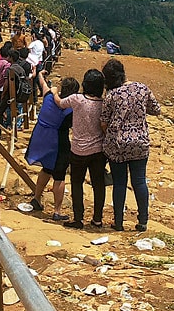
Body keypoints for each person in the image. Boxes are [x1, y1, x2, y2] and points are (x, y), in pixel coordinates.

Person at [100, 58, 161, 232]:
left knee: (119, 183)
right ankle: (143, 221)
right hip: (140, 143)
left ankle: (118, 222)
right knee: (139, 181)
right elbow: (156, 110)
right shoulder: (142, 88)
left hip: (118, 145)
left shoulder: (111, 95)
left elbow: (103, 122)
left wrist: (109, 134)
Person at [51, 68, 107, 230]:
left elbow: (60, 103)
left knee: (77, 184)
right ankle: (97, 219)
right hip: (98, 150)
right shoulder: (103, 103)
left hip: (78, 150)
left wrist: (53, 92)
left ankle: (78, 218)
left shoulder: (77, 99)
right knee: (98, 185)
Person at [25, 70, 80, 222]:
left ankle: (37, 198)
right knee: (59, 176)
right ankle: (57, 211)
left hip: (41, 137)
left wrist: (41, 74)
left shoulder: (49, 96)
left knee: (46, 168)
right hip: (58, 141)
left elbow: (42, 83)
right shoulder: (70, 109)